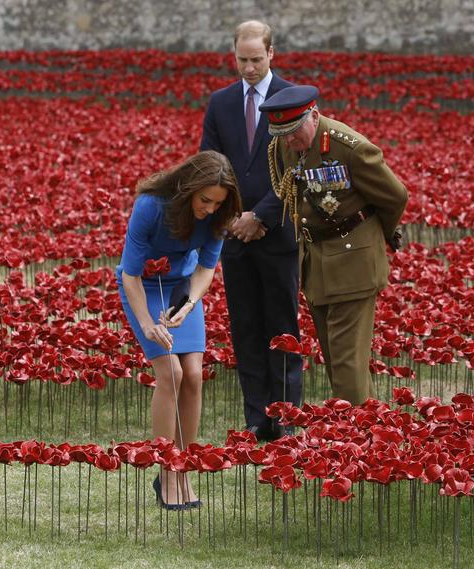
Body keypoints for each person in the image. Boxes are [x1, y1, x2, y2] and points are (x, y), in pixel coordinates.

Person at [259, 85, 409, 405]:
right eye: (282, 133)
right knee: (338, 359)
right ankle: (368, 425)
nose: (289, 140)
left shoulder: (349, 148)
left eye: (294, 131)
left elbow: (395, 196)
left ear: (314, 116)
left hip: (353, 263)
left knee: (346, 363)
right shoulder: (285, 145)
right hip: (317, 262)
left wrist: (378, 235)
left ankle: (352, 429)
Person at [117, 150, 242, 509]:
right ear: (188, 188)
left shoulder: (218, 216)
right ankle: (166, 468)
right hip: (144, 288)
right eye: (205, 200)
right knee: (170, 373)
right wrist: (146, 324)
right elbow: (130, 274)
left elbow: (205, 268)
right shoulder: (151, 206)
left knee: (193, 375)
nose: (210, 209)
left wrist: (189, 303)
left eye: (217, 203)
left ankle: (183, 466)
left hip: (182, 289)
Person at [200, 20, 302, 441]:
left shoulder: (292, 99)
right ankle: (257, 419)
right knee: (245, 329)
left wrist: (259, 216)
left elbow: (299, 167)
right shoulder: (221, 103)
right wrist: (230, 218)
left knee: (282, 328)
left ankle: (287, 417)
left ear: (271, 54)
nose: (249, 68)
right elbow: (210, 166)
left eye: (256, 59)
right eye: (242, 60)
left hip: (277, 235)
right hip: (235, 238)